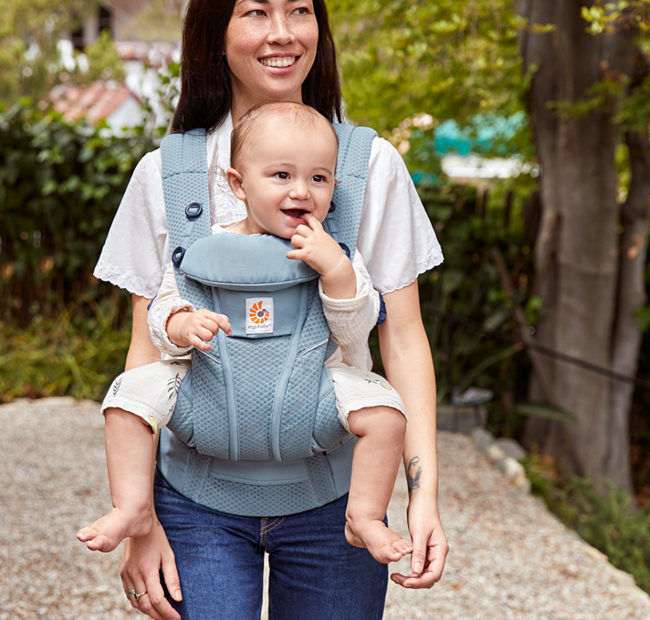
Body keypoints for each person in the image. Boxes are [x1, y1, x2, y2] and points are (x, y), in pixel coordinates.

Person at [92, 0, 448, 620]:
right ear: (214, 31)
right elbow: (144, 351)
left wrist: (422, 494)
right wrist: (140, 518)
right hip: (194, 505)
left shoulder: (369, 169)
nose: (283, 33)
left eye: (301, 10)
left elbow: (403, 338)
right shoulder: (166, 177)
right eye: (256, 13)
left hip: (335, 504)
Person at [78, 101, 413, 567]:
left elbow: (356, 327)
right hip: (207, 393)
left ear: (334, 186)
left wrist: (334, 268)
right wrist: (182, 324)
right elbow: (162, 310)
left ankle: (365, 514)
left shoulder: (333, 254)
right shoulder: (206, 246)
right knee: (126, 397)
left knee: (388, 414)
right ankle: (132, 506)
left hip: (316, 392)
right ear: (238, 183)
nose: (302, 190)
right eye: (282, 176)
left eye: (319, 178)